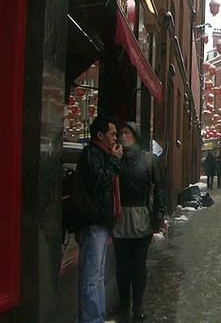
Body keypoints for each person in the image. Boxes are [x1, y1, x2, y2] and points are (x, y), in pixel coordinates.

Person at [108, 122, 166, 321]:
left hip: (142, 216)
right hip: (120, 216)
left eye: (127, 133)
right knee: (122, 264)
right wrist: (114, 160)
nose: (123, 136)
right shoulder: (116, 158)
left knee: (139, 264)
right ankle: (124, 302)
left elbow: (159, 188)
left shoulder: (149, 160)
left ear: (135, 135)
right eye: (120, 133)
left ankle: (138, 305)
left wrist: (159, 213)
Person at [75, 116, 123, 323]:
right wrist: (114, 161)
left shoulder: (104, 154)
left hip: (102, 223)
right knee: (91, 277)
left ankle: (97, 317)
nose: (116, 138)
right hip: (92, 222)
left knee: (98, 275)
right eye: (112, 134)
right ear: (100, 135)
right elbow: (99, 182)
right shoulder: (91, 153)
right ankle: (91, 319)